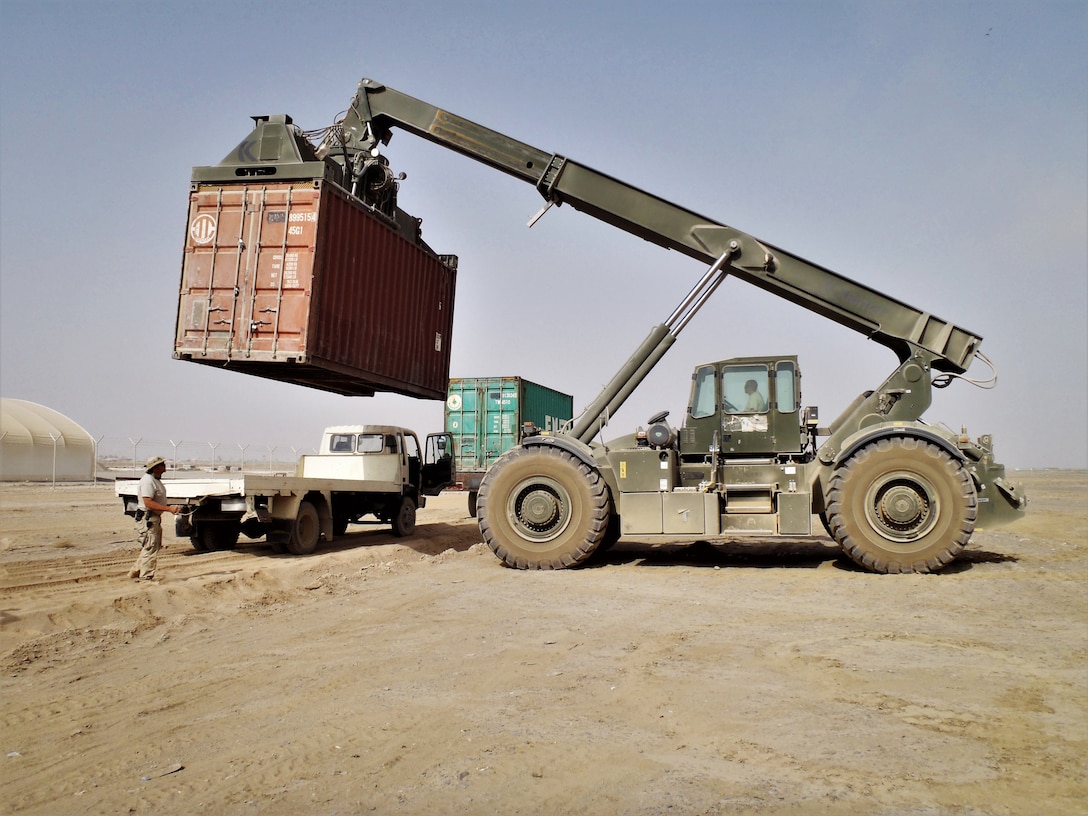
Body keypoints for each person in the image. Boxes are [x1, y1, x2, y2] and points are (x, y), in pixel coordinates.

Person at [127, 456, 181, 582]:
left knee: (152, 546)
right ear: (156, 467)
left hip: (153, 518)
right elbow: (148, 503)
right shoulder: (148, 481)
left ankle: (135, 571)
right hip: (148, 518)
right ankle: (146, 578)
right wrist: (169, 509)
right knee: (150, 547)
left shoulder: (154, 480)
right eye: (162, 464)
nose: (164, 466)